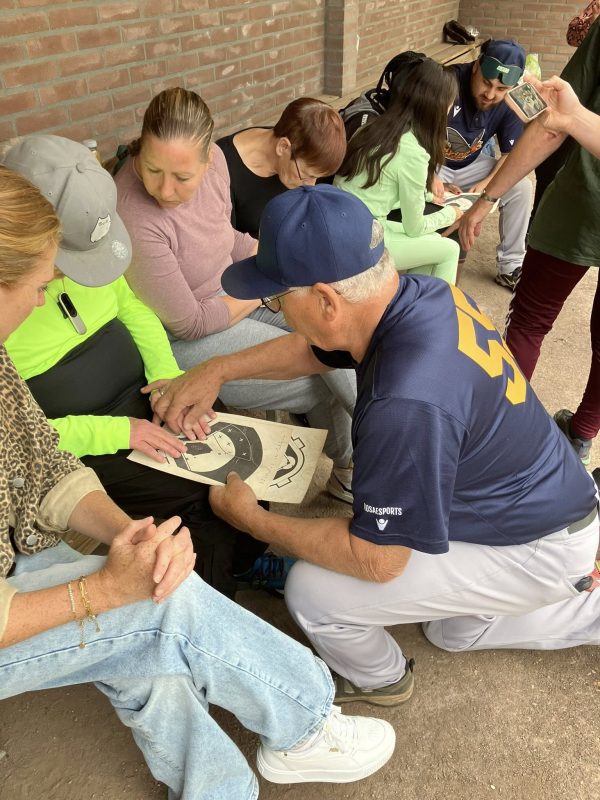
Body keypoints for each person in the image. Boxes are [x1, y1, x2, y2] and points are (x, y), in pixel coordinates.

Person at [0, 164, 396, 800]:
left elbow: (41, 462)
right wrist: (99, 590)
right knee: (161, 605)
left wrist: (125, 533)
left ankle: (217, 788)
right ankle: (304, 723)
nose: (48, 297)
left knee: (139, 629)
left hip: (24, 539)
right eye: (41, 284)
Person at [152, 185, 599, 705]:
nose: (272, 306)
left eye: (275, 298)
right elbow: (317, 349)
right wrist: (217, 368)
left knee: (314, 592)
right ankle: (548, 591)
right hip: (534, 503)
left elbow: (377, 561)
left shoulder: (404, 403)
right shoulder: (421, 294)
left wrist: (253, 519)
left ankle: (382, 679)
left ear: (326, 300)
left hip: (540, 547)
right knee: (451, 632)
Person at [1, 133, 270, 599]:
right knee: (199, 501)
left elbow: (133, 307)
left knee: (234, 446)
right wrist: (120, 433)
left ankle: (248, 564)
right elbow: (27, 441)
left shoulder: (47, 268)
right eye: (56, 272)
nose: (51, 288)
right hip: (89, 436)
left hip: (143, 395)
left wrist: (166, 378)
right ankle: (206, 610)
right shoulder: (12, 302)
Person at [114, 87, 356, 503]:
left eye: (182, 177)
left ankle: (383, 442)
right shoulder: (133, 212)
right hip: (188, 339)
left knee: (337, 326)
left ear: (208, 160)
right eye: (151, 169)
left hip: (232, 296)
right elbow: (189, 322)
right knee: (320, 371)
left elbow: (228, 239)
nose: (165, 190)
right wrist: (262, 289)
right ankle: (363, 462)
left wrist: (282, 260)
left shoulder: (219, 166)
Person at [457, 18, 600, 466]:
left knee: (530, 322)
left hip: (580, 201)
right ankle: (581, 434)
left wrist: (485, 202)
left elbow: (553, 125)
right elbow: (557, 119)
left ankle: (498, 433)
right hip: (578, 202)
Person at [334, 57, 461, 284]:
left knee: (431, 243)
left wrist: (430, 196)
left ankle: (412, 309)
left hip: (344, 227)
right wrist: (453, 213)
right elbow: (414, 227)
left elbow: (377, 193)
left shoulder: (376, 127)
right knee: (449, 249)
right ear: (437, 107)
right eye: (450, 103)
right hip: (366, 238)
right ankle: (437, 315)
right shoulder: (413, 151)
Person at [438, 38, 532, 290]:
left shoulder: (513, 98)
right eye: (487, 83)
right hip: (432, 161)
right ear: (477, 66)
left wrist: (487, 186)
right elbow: (414, 138)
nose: (491, 94)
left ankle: (511, 266)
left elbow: (511, 155)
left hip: (471, 165)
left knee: (521, 187)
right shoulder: (448, 80)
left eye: (501, 89)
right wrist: (430, 178)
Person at [216, 97, 346, 238]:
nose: (311, 185)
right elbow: (224, 243)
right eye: (305, 175)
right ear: (283, 147)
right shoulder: (222, 168)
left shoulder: (301, 153)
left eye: (317, 177)